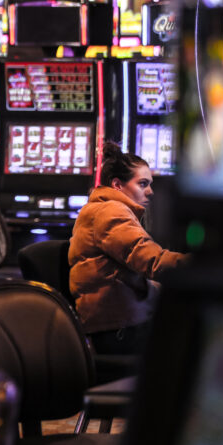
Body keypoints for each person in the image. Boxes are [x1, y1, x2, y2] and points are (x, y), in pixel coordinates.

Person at [68, 141, 189, 354]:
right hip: (117, 329)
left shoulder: (108, 210)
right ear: (117, 185)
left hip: (122, 320)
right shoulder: (109, 212)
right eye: (142, 184)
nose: (150, 192)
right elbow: (153, 261)